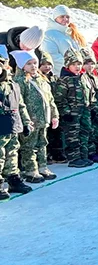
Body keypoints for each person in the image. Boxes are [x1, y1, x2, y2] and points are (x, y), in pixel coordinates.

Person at [11, 50, 58, 182]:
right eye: (29, 64)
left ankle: (42, 166)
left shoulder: (41, 79)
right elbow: (20, 102)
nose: (33, 66)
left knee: (42, 143)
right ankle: (30, 170)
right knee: (29, 146)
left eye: (35, 63)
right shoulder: (20, 81)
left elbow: (50, 99)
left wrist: (54, 115)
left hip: (43, 119)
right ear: (21, 66)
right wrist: (25, 120)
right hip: (31, 119)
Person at [0, 47, 33, 198]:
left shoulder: (13, 84)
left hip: (12, 123)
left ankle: (13, 179)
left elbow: (21, 105)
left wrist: (26, 122)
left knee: (12, 153)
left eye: (4, 64)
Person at [54, 48, 95, 168]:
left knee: (84, 133)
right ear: (67, 65)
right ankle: (74, 158)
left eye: (79, 64)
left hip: (84, 112)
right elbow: (60, 99)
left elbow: (90, 94)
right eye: (73, 64)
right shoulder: (64, 80)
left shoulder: (84, 78)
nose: (77, 67)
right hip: (72, 114)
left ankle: (83, 155)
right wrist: (66, 112)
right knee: (73, 136)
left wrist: (91, 107)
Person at [81, 48, 98, 164]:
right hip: (88, 112)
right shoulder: (81, 79)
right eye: (86, 63)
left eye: (92, 63)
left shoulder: (96, 79)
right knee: (89, 133)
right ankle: (90, 153)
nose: (90, 66)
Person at [41, 5, 86, 76]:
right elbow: (52, 56)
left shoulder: (71, 33)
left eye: (67, 17)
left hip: (76, 74)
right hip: (61, 75)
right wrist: (71, 66)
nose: (65, 19)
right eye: (62, 16)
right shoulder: (49, 34)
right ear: (55, 18)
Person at [40, 52, 66, 164]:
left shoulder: (55, 78)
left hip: (55, 109)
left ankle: (57, 153)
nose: (47, 67)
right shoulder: (37, 79)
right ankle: (47, 154)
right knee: (46, 134)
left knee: (56, 132)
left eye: (49, 64)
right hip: (43, 110)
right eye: (44, 64)